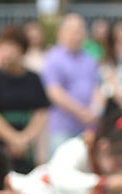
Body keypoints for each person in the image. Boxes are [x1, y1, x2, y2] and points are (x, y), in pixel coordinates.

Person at [0, 25, 50, 175]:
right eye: (3, 46)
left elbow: (41, 112)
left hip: (26, 152)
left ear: (22, 49)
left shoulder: (33, 79)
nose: (6, 52)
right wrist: (13, 139)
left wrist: (24, 139)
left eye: (11, 47)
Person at [41, 14, 100, 154]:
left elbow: (97, 87)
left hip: (88, 127)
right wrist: (80, 111)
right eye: (72, 31)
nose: (77, 35)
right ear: (60, 33)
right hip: (63, 128)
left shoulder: (89, 58)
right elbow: (54, 91)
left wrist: (96, 110)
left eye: (80, 31)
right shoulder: (53, 58)